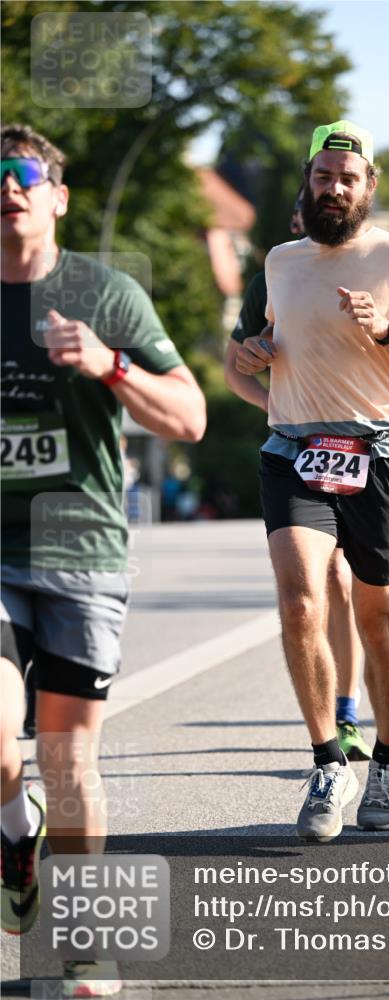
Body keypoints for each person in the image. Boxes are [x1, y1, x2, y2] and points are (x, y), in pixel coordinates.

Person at [1, 125, 206, 996]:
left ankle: (85, 940)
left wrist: (108, 363)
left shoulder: (103, 291)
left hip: (82, 551)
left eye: (23, 174)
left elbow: (190, 417)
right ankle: (16, 826)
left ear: (57, 196)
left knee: (69, 761)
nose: (7, 188)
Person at [235, 120, 389, 842]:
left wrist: (388, 331)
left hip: (378, 455)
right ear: (308, 182)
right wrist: (257, 355)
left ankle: (386, 757)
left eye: (347, 178)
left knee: (377, 620)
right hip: (293, 451)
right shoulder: (280, 260)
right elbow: (252, 352)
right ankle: (328, 760)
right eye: (323, 176)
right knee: (301, 603)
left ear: (368, 188)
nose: (333, 188)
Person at [224, 189, 371, 761]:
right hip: (296, 448)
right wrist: (273, 404)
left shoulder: (371, 263)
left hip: (357, 445)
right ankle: (331, 731)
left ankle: (349, 711)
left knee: (343, 583)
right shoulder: (274, 274)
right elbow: (235, 365)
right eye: (294, 222)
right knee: (310, 592)